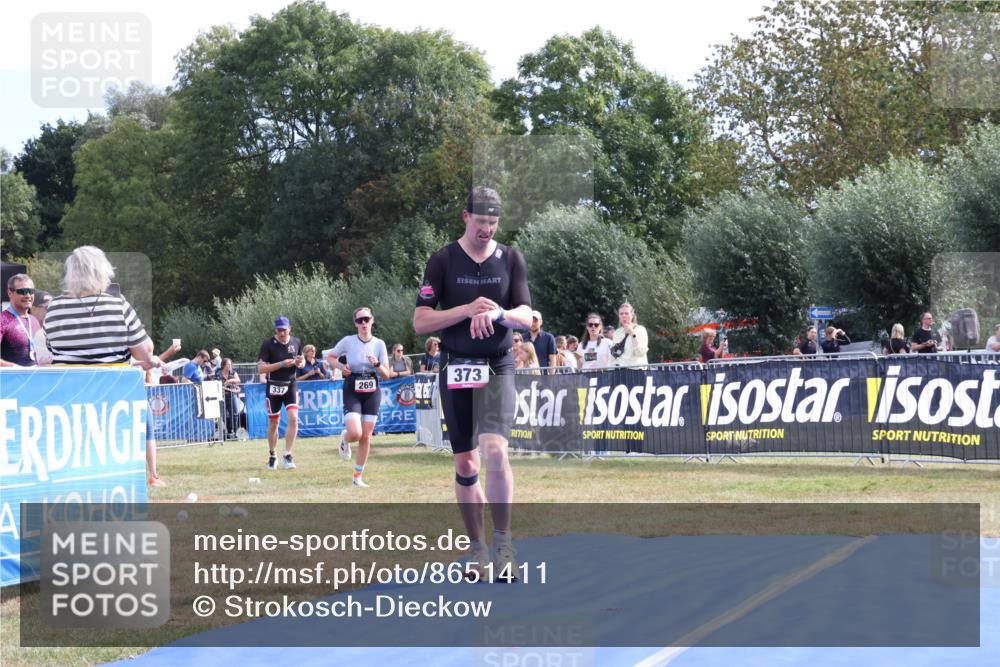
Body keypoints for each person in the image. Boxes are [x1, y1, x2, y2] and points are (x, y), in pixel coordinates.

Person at [413, 185, 533, 582]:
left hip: (498, 363)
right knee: (466, 462)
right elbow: (420, 321)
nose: (487, 230)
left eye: (493, 223)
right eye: (481, 222)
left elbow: (527, 316)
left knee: (496, 449)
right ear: (466, 217)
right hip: (455, 364)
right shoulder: (443, 260)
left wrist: (498, 312)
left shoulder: (511, 258)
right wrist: (467, 309)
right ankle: (477, 550)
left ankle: (504, 545)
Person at [43, 246, 164, 486]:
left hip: (70, 395)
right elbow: (144, 351)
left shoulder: (54, 309)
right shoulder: (118, 305)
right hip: (113, 394)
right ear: (103, 271)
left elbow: (52, 348)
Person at [330, 307, 391, 487]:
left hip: (372, 390)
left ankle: (357, 477)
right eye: (360, 320)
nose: (363, 323)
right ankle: (345, 438)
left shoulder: (379, 344)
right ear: (355, 323)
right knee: (355, 433)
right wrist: (342, 368)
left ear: (372, 320)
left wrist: (378, 364)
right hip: (352, 388)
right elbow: (331, 357)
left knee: (366, 436)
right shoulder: (348, 341)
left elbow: (386, 374)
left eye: (366, 319)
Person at [257, 315, 305, 471]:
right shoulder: (268, 344)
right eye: (279, 330)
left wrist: (300, 362)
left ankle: (288, 454)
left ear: (289, 328)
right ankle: (272, 455)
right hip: (273, 387)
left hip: (290, 385)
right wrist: (281, 364)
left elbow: (302, 361)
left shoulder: (296, 341)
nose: (282, 333)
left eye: (284, 330)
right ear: (275, 330)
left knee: (293, 418)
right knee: (274, 423)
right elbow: (261, 369)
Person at [1, 274, 41, 367]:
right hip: (11, 380)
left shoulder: (34, 320)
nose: (28, 295)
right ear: (10, 293)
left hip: (35, 379)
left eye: (31, 291)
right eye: (22, 291)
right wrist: (17, 369)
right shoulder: (2, 320)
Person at [610, 302, 649, 367]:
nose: (624, 316)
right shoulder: (617, 332)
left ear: (632, 315)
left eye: (626, 313)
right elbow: (614, 354)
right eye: (621, 314)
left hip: (636, 370)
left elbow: (640, 353)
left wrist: (632, 333)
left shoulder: (640, 329)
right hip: (619, 370)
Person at [219, 358, 245, 437]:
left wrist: (230, 381)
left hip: (232, 396)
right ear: (223, 365)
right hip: (221, 397)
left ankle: (235, 431)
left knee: (235, 413)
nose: (230, 366)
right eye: (228, 364)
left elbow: (238, 380)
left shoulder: (233, 373)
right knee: (223, 415)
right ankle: (229, 429)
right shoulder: (218, 373)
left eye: (231, 364)